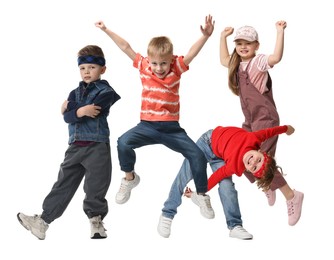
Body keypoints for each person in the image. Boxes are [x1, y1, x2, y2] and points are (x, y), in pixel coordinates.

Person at [95, 16, 215, 216]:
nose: (159, 68)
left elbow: (192, 53)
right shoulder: (144, 66)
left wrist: (205, 37)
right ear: (149, 61)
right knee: (123, 142)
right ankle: (130, 178)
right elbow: (125, 47)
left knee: (197, 155)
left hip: (171, 129)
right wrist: (106, 30)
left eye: (163, 63)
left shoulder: (176, 68)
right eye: (155, 63)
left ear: (171, 60)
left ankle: (201, 194)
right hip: (147, 126)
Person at [17, 45, 121, 240]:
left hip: (96, 147)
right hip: (75, 146)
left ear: (102, 69)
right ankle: (43, 222)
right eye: (83, 68)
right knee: (63, 184)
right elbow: (67, 118)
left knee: (96, 186)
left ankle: (96, 222)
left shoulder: (106, 90)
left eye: (92, 67)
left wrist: (72, 109)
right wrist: (79, 111)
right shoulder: (75, 92)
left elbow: (95, 109)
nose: (87, 72)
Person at [219, 21, 304, 226]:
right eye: (239, 43)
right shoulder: (237, 65)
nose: (243, 47)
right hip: (250, 121)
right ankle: (267, 185)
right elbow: (224, 59)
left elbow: (276, 57)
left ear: (256, 45)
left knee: (262, 161)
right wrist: (222, 37)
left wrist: (280, 31)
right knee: (243, 156)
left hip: (265, 119)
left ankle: (292, 195)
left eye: (247, 43)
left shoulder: (258, 62)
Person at [161, 124, 297, 238]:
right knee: (183, 176)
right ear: (261, 152)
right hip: (207, 142)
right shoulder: (254, 138)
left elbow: (217, 176)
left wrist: (198, 191)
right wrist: (286, 129)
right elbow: (270, 132)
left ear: (248, 171)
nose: (254, 161)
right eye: (259, 159)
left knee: (227, 187)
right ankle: (167, 213)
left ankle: (235, 225)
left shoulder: (235, 166)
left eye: (254, 167)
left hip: (221, 158)